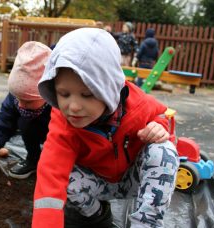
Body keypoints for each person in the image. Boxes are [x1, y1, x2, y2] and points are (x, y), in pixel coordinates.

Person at [32, 28, 179, 227]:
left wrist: (158, 126)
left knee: (164, 152)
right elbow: (50, 179)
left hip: (135, 178)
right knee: (60, 174)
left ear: (110, 88)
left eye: (87, 95)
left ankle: (145, 223)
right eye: (64, 94)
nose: (73, 107)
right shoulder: (63, 123)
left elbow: (162, 115)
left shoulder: (137, 103)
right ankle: (98, 215)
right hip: (98, 182)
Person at [0, 41, 52, 179]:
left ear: (48, 94)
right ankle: (33, 159)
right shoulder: (15, 99)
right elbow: (3, 124)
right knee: (25, 121)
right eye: (18, 98)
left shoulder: (61, 103)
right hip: (36, 129)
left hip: (61, 138)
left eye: (28, 101)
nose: (21, 105)